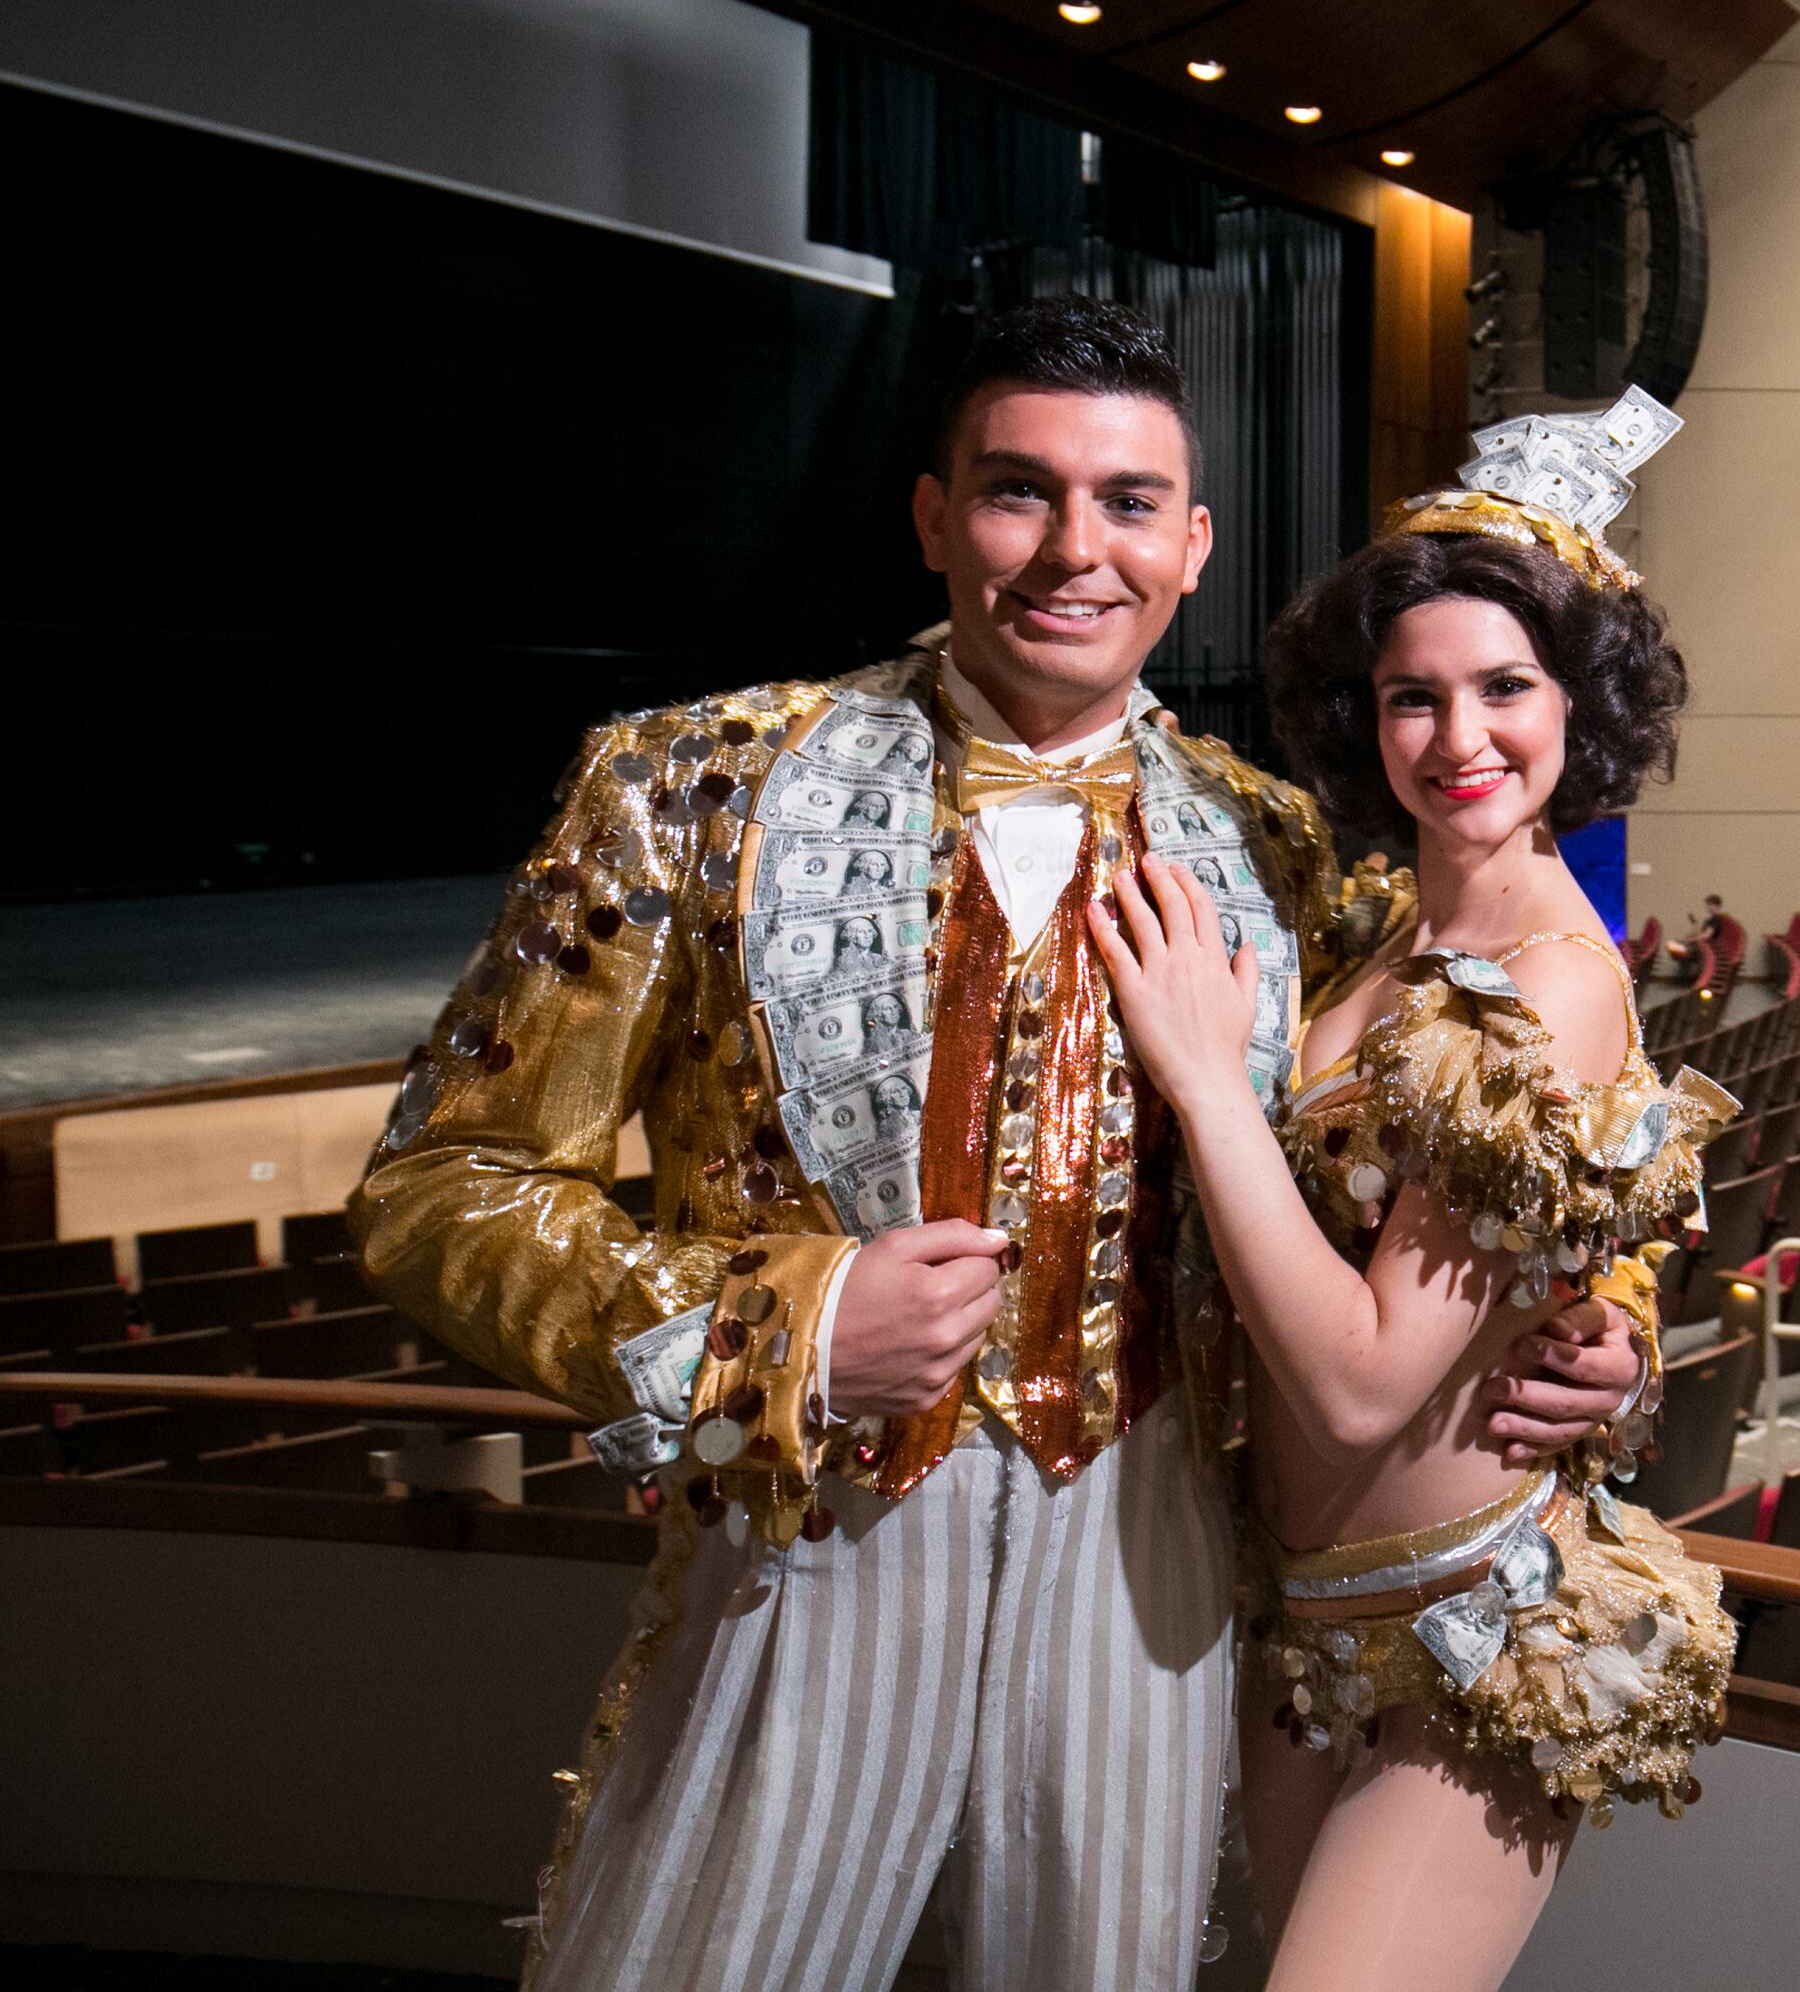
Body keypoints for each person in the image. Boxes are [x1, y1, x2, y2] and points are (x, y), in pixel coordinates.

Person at [347, 303, 1654, 1992]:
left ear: (1191, 547)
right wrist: (783, 1329)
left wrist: (1599, 1325)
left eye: (1126, 504)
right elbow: (439, 1186)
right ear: (930, 516)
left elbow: (1448, 1141)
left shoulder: (1279, 846)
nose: (1071, 551)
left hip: (1159, 1559)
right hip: (810, 1543)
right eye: (1017, 492)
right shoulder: (688, 787)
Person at [1095, 446, 1735, 1992]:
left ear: (1581, 703)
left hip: (1476, 1631)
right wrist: (1616, 1324)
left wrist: (1206, 1080)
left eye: (1504, 686)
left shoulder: (1553, 983)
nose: (1460, 737)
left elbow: (1368, 1376)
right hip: (1300, 1623)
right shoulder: (1376, 937)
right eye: (1412, 697)